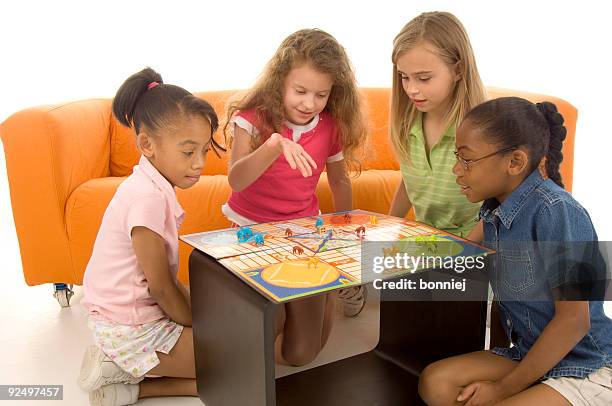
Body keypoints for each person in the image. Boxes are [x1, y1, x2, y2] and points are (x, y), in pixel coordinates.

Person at [418, 97, 612, 405]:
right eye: (457, 157)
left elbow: (575, 321)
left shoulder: (558, 212)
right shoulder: (494, 211)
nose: (456, 170)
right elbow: (475, 271)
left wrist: (503, 388)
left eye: (466, 160)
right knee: (436, 382)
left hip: (587, 364)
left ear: (515, 162)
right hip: (528, 352)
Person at [78, 67, 224, 406]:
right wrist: (197, 324)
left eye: (204, 150)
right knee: (230, 366)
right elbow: (159, 286)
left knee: (222, 331)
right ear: (147, 144)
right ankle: (125, 382)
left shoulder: (150, 186)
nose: (200, 163)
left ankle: (129, 370)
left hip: (123, 313)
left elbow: (162, 284)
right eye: (189, 152)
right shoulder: (146, 198)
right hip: (128, 327)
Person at [222, 28, 368, 364]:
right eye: (300, 91)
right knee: (269, 337)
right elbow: (237, 180)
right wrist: (273, 145)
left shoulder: (329, 125)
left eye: (321, 94)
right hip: (251, 231)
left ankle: (331, 288)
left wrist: (343, 235)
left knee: (303, 354)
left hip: (303, 232)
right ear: (280, 82)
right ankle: (312, 294)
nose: (309, 104)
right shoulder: (252, 119)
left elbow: (340, 182)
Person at [388, 11, 486, 241]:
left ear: (458, 70)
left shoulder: (483, 129)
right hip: (424, 241)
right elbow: (411, 183)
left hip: (472, 246)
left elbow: (500, 204)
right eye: (404, 77)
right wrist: (387, 227)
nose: (411, 89)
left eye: (423, 78)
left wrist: (466, 251)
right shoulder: (408, 123)